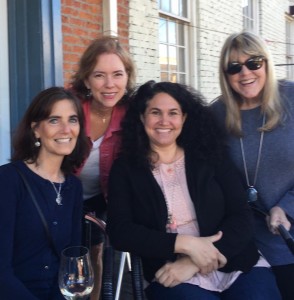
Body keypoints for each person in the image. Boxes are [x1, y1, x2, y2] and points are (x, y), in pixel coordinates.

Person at [106, 80, 281, 299]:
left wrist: (194, 261)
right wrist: (183, 244)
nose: (164, 121)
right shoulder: (125, 169)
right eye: (155, 112)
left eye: (173, 113)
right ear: (142, 117)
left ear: (184, 118)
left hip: (234, 262)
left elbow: (241, 215)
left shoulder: (210, 156)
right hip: (171, 272)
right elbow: (120, 231)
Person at [210, 31, 294, 300]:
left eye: (253, 63)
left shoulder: (291, 99)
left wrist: (286, 207)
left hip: (286, 239)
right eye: (234, 67)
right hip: (241, 245)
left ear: (266, 63)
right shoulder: (216, 114)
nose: (245, 73)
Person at [0, 87, 90, 300]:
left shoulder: (73, 187)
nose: (66, 129)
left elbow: (73, 262)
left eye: (73, 119)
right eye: (54, 120)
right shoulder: (9, 180)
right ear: (36, 129)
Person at [70, 35, 136, 299]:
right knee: (61, 251)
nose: (110, 85)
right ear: (87, 79)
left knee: (95, 252)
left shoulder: (132, 116)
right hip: (64, 192)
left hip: (102, 196)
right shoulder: (69, 107)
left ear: (127, 77)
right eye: (99, 75)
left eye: (117, 74)